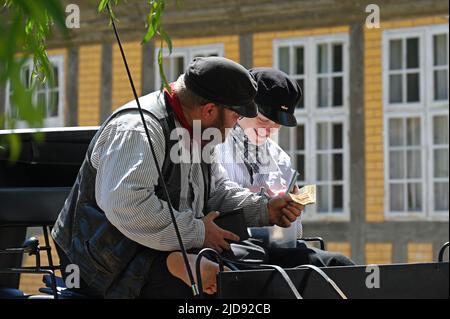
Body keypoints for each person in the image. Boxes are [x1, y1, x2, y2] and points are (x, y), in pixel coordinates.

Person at [51, 57, 304, 298]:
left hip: (165, 245)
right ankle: (178, 263)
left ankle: (182, 261)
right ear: (208, 110)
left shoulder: (199, 130)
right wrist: (197, 232)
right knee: (222, 283)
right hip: (104, 261)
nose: (236, 125)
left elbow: (215, 192)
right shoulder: (139, 129)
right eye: (236, 117)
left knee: (258, 267)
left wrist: (263, 208)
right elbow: (127, 206)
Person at [215, 67, 355, 268]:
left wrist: (292, 211)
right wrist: (261, 205)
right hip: (233, 246)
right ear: (243, 108)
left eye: (276, 125)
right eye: (263, 120)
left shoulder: (279, 157)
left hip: (276, 245)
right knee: (255, 265)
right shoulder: (217, 145)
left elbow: (295, 234)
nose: (268, 130)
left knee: (337, 264)